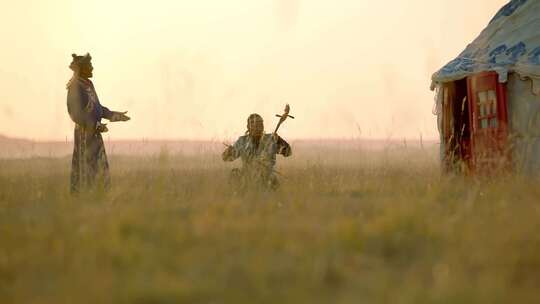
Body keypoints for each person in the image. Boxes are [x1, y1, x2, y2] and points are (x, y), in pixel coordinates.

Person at [66, 53, 130, 193]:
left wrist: (116, 116)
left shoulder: (88, 84)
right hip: (84, 134)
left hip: (95, 134)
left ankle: (99, 197)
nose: (93, 68)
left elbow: (98, 109)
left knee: (99, 167)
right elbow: (74, 113)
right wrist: (93, 125)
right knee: (85, 167)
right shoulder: (75, 87)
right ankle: (83, 200)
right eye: (90, 66)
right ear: (83, 68)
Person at [222, 113, 292, 191]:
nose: (258, 128)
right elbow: (226, 158)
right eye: (255, 125)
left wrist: (279, 141)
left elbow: (288, 152)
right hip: (247, 178)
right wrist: (229, 151)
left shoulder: (271, 139)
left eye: (260, 125)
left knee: (272, 183)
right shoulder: (242, 141)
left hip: (267, 178)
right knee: (235, 174)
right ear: (248, 127)